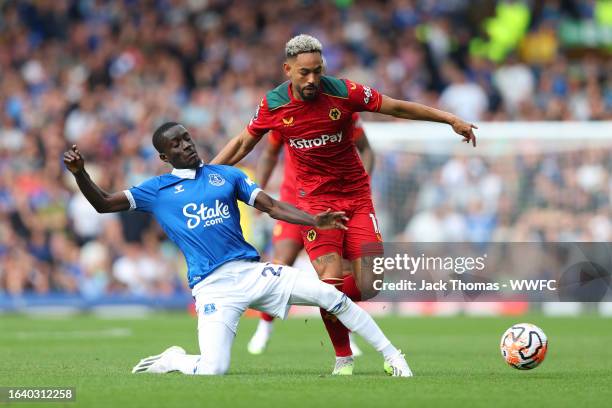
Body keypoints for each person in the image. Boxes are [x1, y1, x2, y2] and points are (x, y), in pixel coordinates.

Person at [211, 34, 477, 375]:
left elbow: (395, 106)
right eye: (304, 72)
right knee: (330, 281)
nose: (312, 79)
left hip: (356, 196)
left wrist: (450, 119)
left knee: (371, 284)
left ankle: (326, 303)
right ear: (287, 69)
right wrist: (202, 175)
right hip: (314, 205)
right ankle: (343, 357)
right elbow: (243, 143)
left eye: (317, 71)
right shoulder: (274, 104)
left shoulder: (344, 92)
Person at [62, 122, 412, 377]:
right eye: (177, 144)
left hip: (254, 272)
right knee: (215, 369)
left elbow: (272, 205)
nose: (186, 145)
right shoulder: (157, 190)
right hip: (213, 287)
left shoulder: (225, 175)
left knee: (332, 297)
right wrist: (80, 174)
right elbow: (105, 204)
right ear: (164, 155)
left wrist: (314, 220)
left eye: (187, 137)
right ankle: (174, 360)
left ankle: (393, 357)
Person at [247, 113, 373, 356]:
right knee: (281, 263)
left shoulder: (341, 112)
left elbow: (366, 150)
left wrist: (361, 186)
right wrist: (258, 193)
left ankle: (348, 331)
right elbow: (269, 153)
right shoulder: (285, 116)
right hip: (294, 203)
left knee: (346, 273)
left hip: (334, 201)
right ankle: (265, 325)